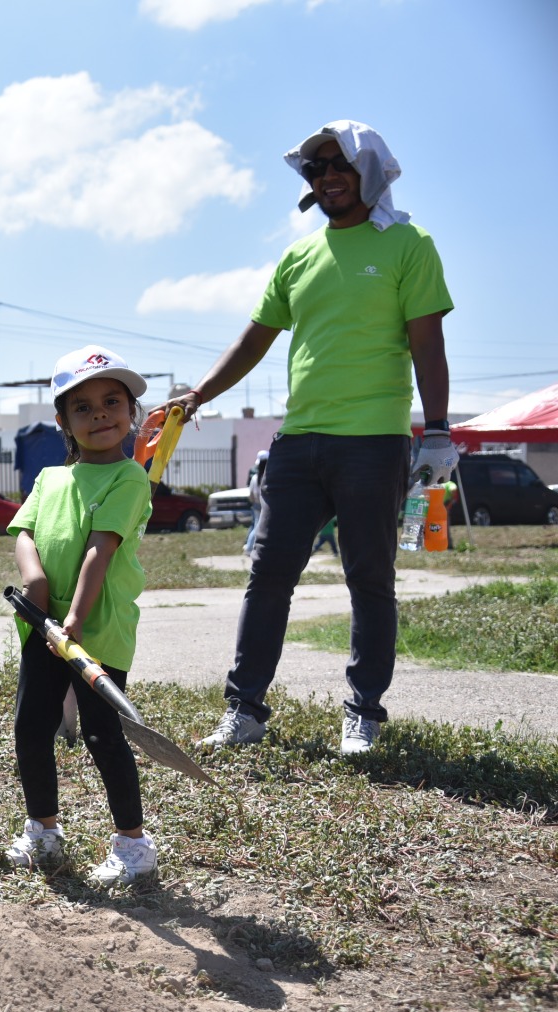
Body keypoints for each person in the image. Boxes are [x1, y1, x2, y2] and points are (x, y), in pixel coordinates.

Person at [179, 120, 454, 756]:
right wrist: (197, 396)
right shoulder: (298, 257)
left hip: (373, 442)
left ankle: (363, 712)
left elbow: (428, 343)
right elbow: (254, 339)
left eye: (339, 165)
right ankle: (244, 710)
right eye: (315, 169)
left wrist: (438, 430)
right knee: (268, 574)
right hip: (298, 443)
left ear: (369, 171)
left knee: (369, 579)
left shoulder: (409, 244)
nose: (327, 176)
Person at [5, 346, 158, 887]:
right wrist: (36, 581)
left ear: (131, 412)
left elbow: (100, 550)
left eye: (112, 402)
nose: (100, 415)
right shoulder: (50, 479)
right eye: (83, 407)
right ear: (62, 421)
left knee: (101, 733)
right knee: (31, 726)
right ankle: (43, 831)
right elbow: (24, 533)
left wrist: (73, 620)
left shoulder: (128, 478)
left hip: (96, 630)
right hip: (42, 625)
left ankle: (134, 845)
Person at [245, 450, 269, 555]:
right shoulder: (268, 477)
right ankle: (250, 548)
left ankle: (251, 547)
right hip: (265, 505)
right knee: (260, 527)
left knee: (256, 526)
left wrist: (253, 501)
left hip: (256, 504)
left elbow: (251, 493)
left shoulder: (255, 477)